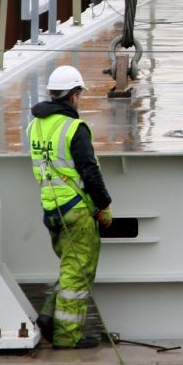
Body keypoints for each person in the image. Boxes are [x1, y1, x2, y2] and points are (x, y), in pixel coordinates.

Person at [26, 65, 113, 348]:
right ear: (73, 95)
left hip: (51, 210)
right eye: (79, 94)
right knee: (78, 273)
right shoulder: (74, 128)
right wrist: (104, 205)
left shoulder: (35, 126)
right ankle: (66, 338)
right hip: (76, 210)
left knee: (69, 269)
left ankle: (48, 320)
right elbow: (89, 171)